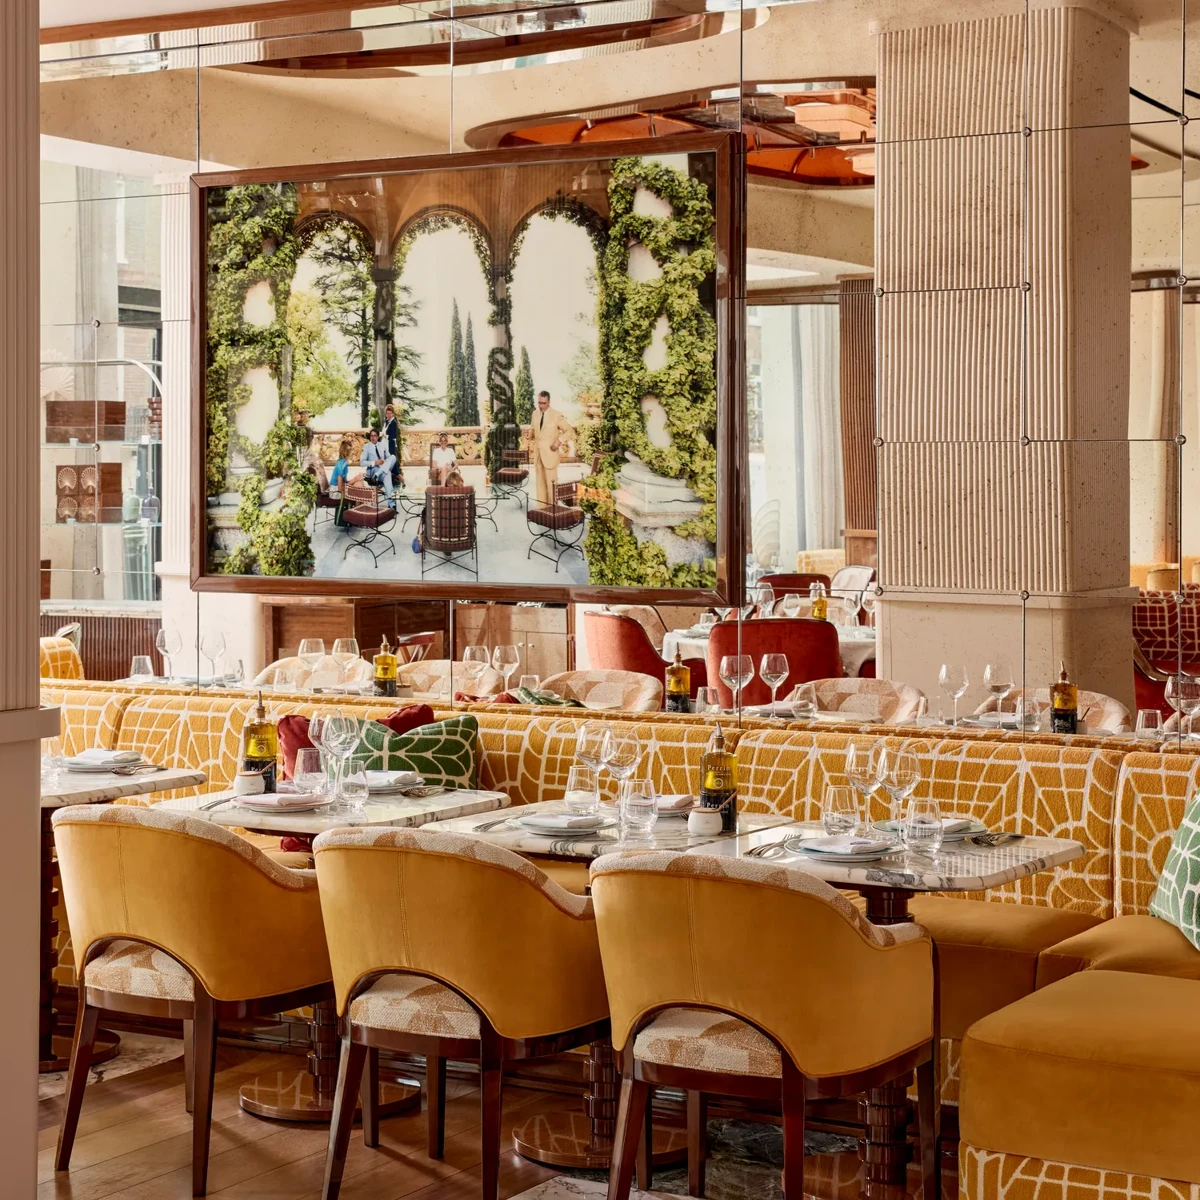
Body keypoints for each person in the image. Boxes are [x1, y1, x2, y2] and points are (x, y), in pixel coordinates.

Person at [528, 389, 574, 506]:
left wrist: (559, 441)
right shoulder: (535, 413)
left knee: (551, 485)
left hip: (550, 454)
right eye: (539, 402)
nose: (540, 406)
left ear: (549, 402)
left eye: (543, 403)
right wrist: (531, 432)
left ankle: (553, 510)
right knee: (540, 484)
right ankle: (542, 511)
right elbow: (533, 428)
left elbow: (569, 431)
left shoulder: (556, 415)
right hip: (538, 454)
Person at [360, 428, 397, 503]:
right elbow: (362, 463)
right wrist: (375, 463)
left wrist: (385, 461)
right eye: (371, 436)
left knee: (393, 457)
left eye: (375, 436)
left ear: (378, 437)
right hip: (373, 470)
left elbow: (389, 457)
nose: (373, 438)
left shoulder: (383, 445)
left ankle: (378, 474)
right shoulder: (367, 446)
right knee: (388, 473)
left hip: (381, 470)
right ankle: (391, 505)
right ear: (370, 437)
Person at [329, 438, 352, 526]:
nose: (352, 453)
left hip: (337, 490)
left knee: (357, 489)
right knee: (356, 494)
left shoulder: (342, 462)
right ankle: (355, 519)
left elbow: (343, 482)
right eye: (351, 451)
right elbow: (340, 487)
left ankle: (357, 518)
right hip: (335, 492)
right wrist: (354, 480)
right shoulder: (342, 464)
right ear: (347, 452)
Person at [382, 403, 402, 485]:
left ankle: (403, 481)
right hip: (385, 446)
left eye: (390, 413)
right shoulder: (387, 422)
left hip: (390, 447)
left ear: (393, 413)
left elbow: (393, 436)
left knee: (393, 467)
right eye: (387, 413)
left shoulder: (393, 423)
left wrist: (384, 435)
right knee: (390, 467)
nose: (388, 415)